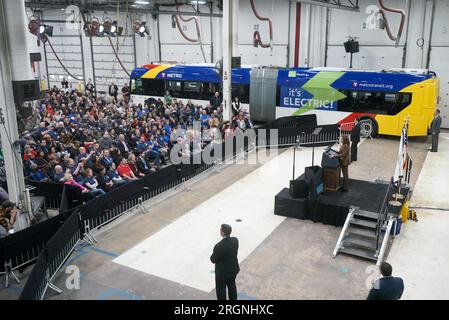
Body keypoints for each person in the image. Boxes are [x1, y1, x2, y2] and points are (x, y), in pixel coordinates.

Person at [210, 224, 240, 300]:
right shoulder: (235, 240)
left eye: (220, 230)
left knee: (221, 291)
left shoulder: (219, 246)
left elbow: (213, 260)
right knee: (232, 287)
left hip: (222, 274)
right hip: (233, 270)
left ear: (222, 233)